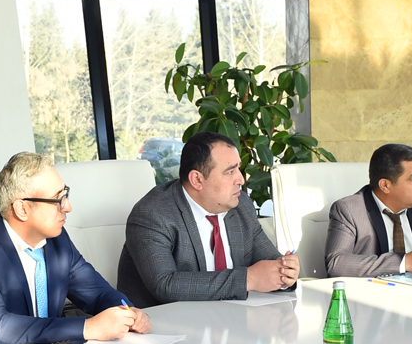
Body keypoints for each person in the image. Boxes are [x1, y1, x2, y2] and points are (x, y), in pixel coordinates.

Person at [0, 151, 152, 344]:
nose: (68, 207)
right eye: (57, 199)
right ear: (22, 209)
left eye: (65, 194)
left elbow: (98, 293)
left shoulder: (57, 240)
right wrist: (88, 327)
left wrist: (126, 312)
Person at [117, 131, 298, 306]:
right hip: (162, 322)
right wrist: (248, 279)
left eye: (239, 168)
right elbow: (165, 285)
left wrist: (285, 273)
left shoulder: (240, 204)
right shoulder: (153, 214)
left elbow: (271, 262)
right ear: (197, 179)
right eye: (230, 172)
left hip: (231, 318)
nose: (241, 180)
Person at [325, 142, 412, 277]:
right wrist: (405, 262)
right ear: (385, 185)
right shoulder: (350, 210)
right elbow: (336, 262)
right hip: (372, 292)